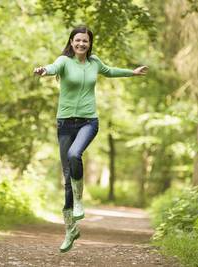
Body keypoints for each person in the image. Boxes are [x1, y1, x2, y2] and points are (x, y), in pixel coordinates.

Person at [33, 26, 148, 253]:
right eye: (78, 40)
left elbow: (110, 71)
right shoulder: (64, 62)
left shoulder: (94, 62)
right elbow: (53, 67)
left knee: (75, 154)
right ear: (72, 41)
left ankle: (79, 202)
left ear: (89, 43)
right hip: (65, 123)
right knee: (67, 176)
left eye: (85, 41)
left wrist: (132, 73)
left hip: (88, 122)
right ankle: (70, 230)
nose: (81, 44)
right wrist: (44, 70)